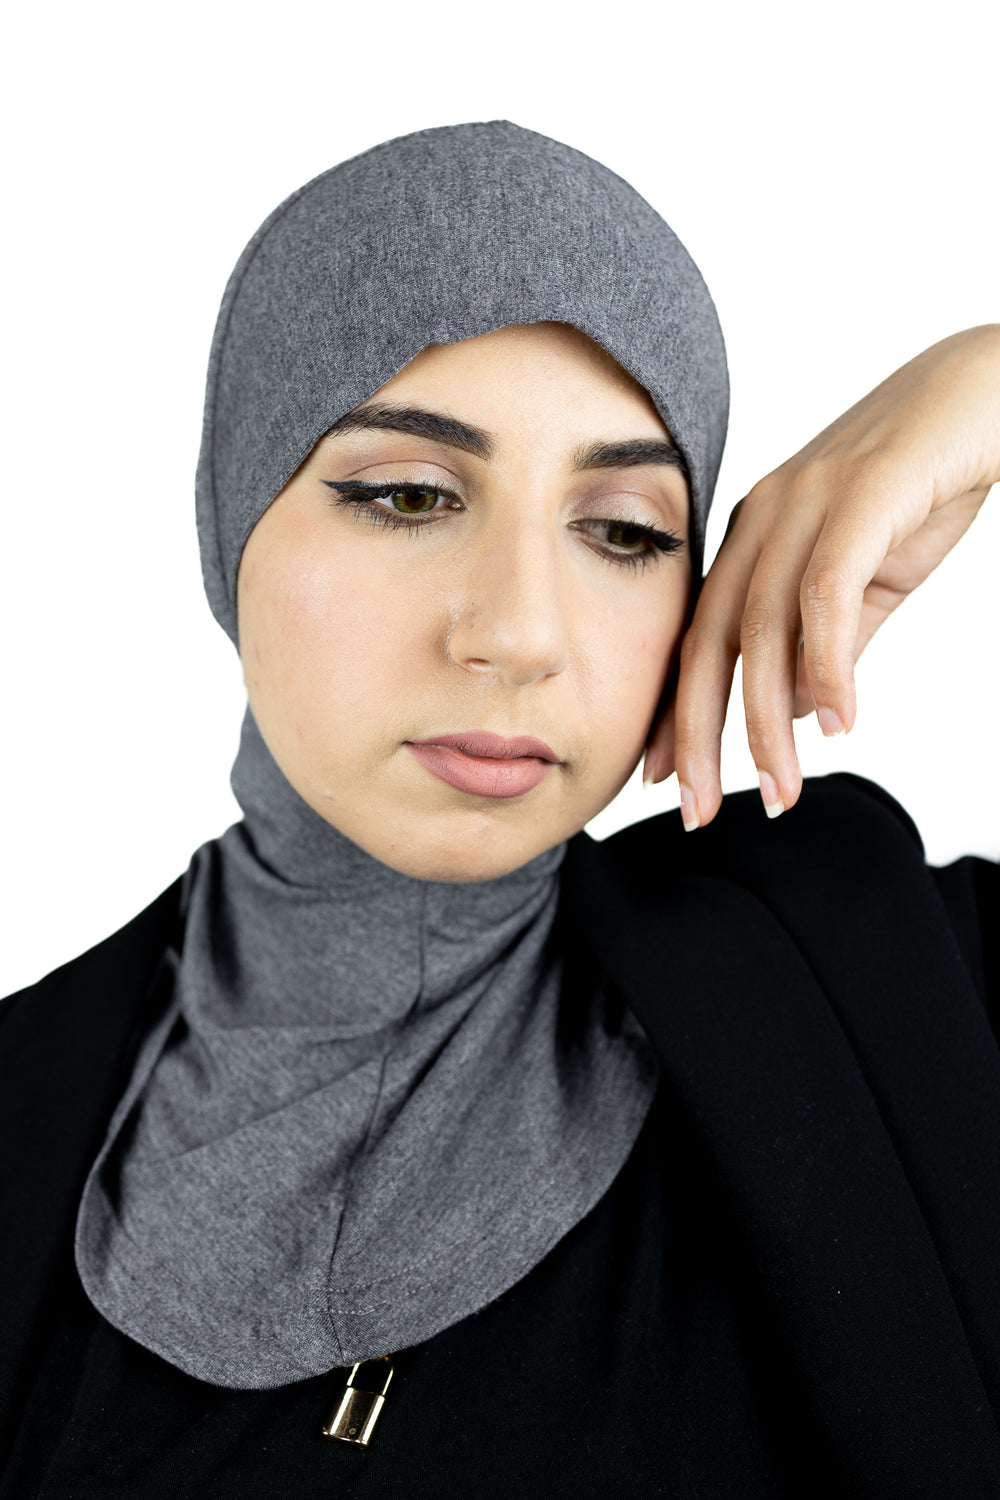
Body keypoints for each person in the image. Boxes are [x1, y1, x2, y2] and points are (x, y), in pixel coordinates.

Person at [0, 119, 997, 1499]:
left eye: (627, 531)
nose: (521, 632)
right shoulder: (19, 1108)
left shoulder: (901, 983)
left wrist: (987, 381)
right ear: (231, 519)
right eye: (407, 494)